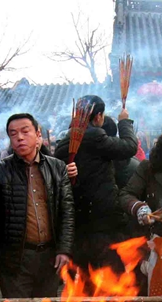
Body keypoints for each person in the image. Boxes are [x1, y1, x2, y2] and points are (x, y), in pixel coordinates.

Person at [0, 113, 76, 298]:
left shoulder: (57, 168)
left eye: (25, 131)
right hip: (15, 258)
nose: (19, 137)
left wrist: (64, 249)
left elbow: (67, 212)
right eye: (13, 134)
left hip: (49, 257)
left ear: (38, 135)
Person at [54, 94, 138, 274]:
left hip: (79, 220)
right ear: (99, 116)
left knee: (85, 276)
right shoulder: (94, 136)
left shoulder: (65, 141)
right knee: (113, 274)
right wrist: (125, 122)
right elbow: (129, 147)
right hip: (103, 221)